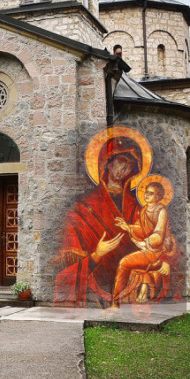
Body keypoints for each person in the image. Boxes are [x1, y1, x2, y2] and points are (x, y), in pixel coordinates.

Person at [53, 128, 151, 307]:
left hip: (128, 275)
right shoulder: (84, 206)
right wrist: (97, 254)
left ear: (133, 171)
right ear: (108, 163)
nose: (123, 169)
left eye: (129, 165)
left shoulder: (135, 206)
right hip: (95, 276)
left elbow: (145, 234)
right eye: (120, 161)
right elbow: (73, 230)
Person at [110, 175, 177, 305]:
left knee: (124, 262)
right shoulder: (145, 209)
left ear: (158, 196)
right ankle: (117, 299)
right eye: (146, 192)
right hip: (148, 249)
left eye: (150, 194)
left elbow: (158, 235)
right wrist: (128, 227)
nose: (146, 195)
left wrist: (144, 243)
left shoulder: (161, 211)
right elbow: (140, 228)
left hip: (158, 251)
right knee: (124, 262)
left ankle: (116, 300)